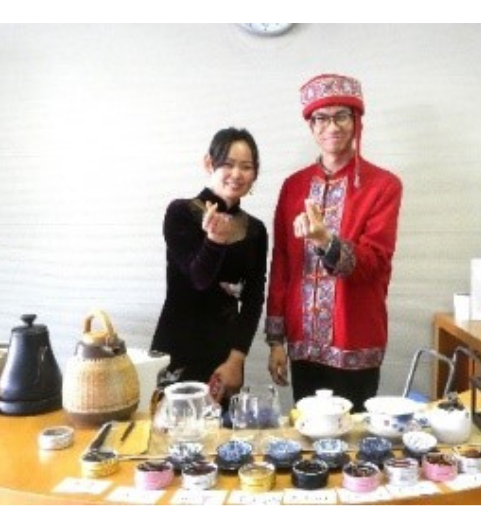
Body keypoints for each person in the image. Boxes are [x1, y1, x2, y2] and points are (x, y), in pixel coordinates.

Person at [265, 73, 404, 410]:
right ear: (311, 126)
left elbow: (375, 262)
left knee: (353, 437)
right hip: (302, 341)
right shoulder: (293, 186)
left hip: (355, 337)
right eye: (321, 118)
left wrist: (327, 241)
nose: (332, 126)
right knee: (307, 434)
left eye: (342, 116)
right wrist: (276, 340)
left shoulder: (383, 185)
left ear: (356, 121)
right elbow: (281, 263)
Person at [151, 127, 268, 401]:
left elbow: (253, 299)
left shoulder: (256, 230)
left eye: (246, 167)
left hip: (225, 356)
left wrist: (236, 360)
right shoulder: (181, 212)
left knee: (222, 427)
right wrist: (215, 241)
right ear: (209, 163)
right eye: (228, 164)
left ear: (255, 173)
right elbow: (199, 279)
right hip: (178, 345)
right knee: (172, 425)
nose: (237, 174)